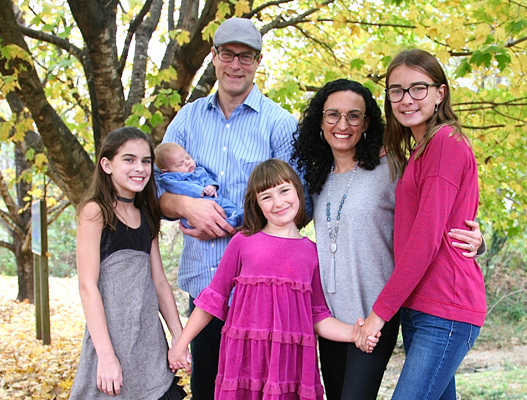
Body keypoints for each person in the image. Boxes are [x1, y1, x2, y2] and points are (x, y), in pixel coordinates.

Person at [291, 79, 484, 400]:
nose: (343, 124)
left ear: (367, 123)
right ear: (319, 121)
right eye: (332, 115)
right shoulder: (315, 176)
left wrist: (478, 239)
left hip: (375, 315)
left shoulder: (390, 168)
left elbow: (434, 217)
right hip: (330, 320)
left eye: (354, 116)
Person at [158, 17, 299, 400]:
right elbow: (154, 192)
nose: (236, 65)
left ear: (258, 61)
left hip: (262, 291)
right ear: (214, 57)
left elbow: (300, 205)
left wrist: (236, 227)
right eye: (228, 55)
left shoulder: (281, 124)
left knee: (258, 391)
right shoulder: (187, 119)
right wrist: (187, 204)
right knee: (208, 390)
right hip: (205, 287)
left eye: (246, 56)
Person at [168, 159, 377, 400]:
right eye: (266, 197)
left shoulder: (311, 252)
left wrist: (354, 333)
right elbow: (212, 300)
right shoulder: (243, 242)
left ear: (298, 192)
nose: (278, 202)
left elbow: (318, 314)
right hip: (245, 362)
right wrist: (181, 343)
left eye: (284, 191)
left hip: (290, 367)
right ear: (256, 204)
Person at [357, 49, 485, 400]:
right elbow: (451, 217)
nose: (406, 99)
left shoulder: (446, 143)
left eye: (418, 88)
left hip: (445, 307)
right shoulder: (420, 149)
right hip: (421, 307)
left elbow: (425, 240)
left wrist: (378, 316)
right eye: (396, 90)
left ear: (440, 93)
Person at [70, 127, 186, 400]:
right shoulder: (95, 212)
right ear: (107, 164)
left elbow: (159, 282)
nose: (140, 168)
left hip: (149, 344)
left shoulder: (146, 214)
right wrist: (106, 356)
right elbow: (87, 286)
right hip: (111, 342)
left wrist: (178, 340)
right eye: (129, 159)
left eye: (146, 161)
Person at [154, 142, 244, 229]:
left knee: (227, 204)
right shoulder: (169, 179)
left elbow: (208, 177)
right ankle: (226, 224)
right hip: (196, 208)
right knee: (193, 221)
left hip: (214, 198)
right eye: (180, 164)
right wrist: (198, 190)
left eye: (188, 158)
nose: (187, 163)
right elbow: (181, 187)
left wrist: (211, 186)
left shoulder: (199, 170)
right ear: (166, 171)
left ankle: (238, 216)